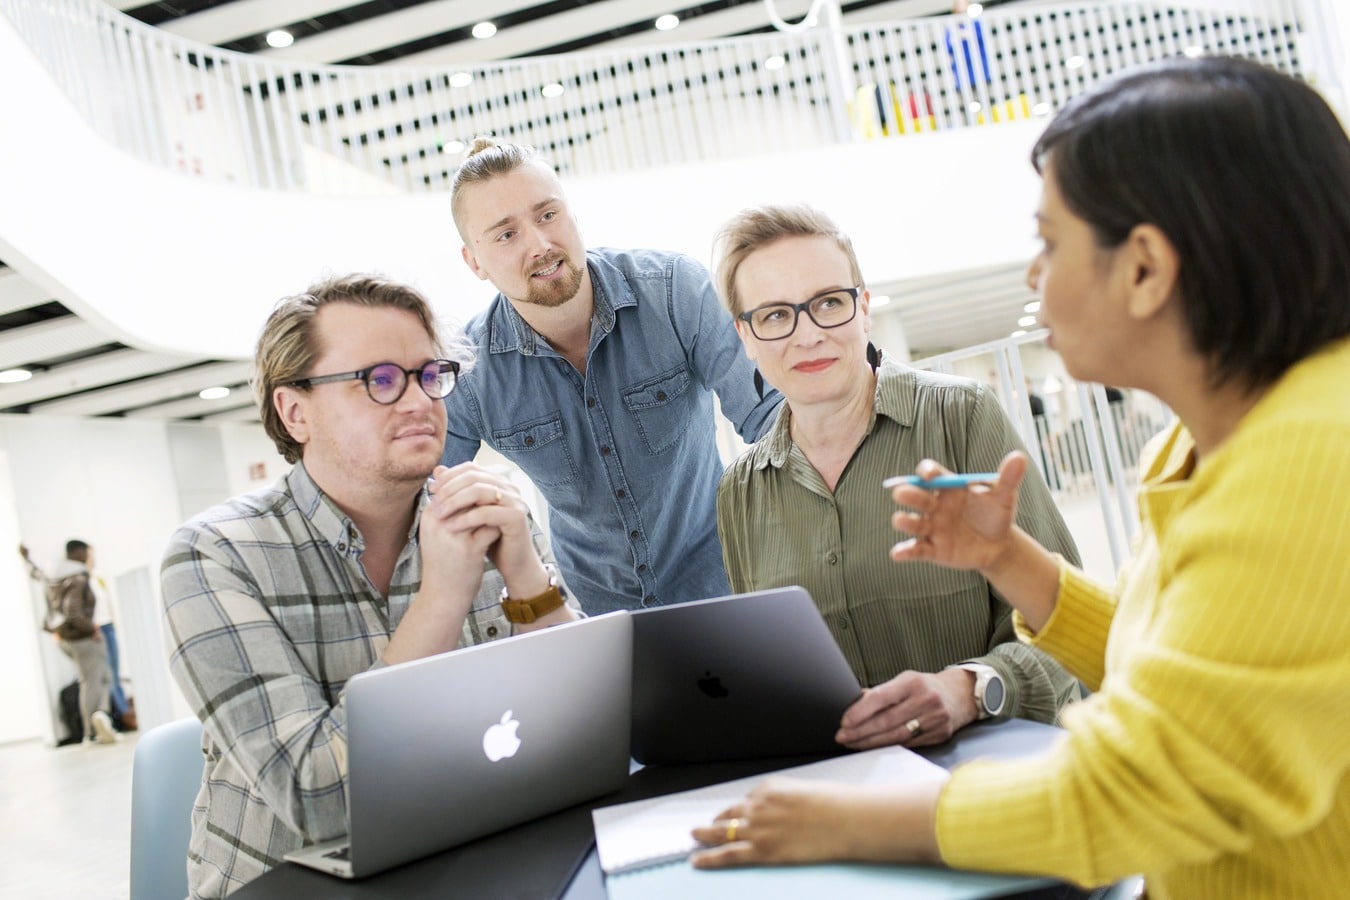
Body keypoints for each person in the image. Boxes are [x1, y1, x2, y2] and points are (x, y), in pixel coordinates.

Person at [691, 56, 1350, 899]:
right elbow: (1168, 664)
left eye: (1049, 243)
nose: (1034, 277)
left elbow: (1133, 795)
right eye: (774, 316)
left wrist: (835, 822)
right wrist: (1011, 561)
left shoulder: (1307, 468)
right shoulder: (1196, 446)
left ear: (1144, 268)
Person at [162, 274, 580, 899]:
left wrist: (524, 572)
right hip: (291, 886)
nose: (419, 401)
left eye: (429, 375)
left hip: (468, 862)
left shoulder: (482, 512)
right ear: (294, 410)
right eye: (378, 381)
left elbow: (583, 726)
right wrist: (442, 598)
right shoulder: (214, 555)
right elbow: (320, 804)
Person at [712, 203, 1080, 750]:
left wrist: (968, 690)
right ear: (745, 336)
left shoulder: (961, 417)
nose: (807, 335)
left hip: (999, 777)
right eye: (774, 316)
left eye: (828, 304)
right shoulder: (740, 491)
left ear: (863, 309)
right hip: (842, 796)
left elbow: (1070, 624)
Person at [441, 137, 783, 613]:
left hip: (729, 590)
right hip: (593, 620)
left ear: (573, 216)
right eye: (505, 234)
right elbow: (429, 506)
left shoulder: (674, 292)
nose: (540, 245)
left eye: (547, 215)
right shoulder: (470, 369)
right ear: (474, 261)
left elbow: (774, 421)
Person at [21, 540, 119, 745]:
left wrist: (26, 558)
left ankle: (99, 723)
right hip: (83, 637)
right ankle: (93, 730)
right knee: (94, 681)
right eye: (90, 555)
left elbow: (36, 574)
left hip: (66, 638)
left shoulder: (56, 573)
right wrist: (91, 628)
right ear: (80, 554)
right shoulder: (77, 576)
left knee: (97, 678)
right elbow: (73, 611)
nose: (92, 559)